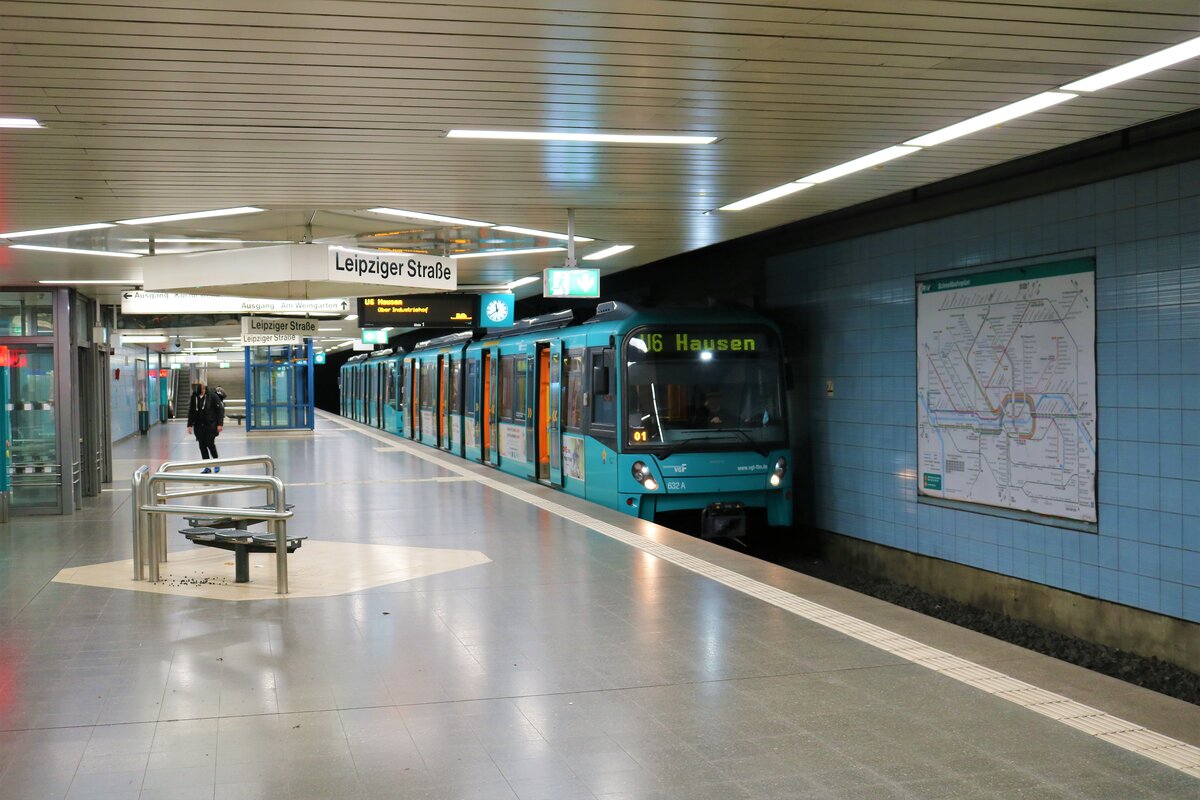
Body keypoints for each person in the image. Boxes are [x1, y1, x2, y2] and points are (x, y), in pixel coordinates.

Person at [187, 380, 225, 472]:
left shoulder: (212, 396)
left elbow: (220, 410)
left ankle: (216, 462)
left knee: (210, 444)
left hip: (210, 425)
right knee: (202, 446)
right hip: (199, 426)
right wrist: (189, 425)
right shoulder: (194, 397)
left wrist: (220, 424)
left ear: (203, 388)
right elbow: (191, 411)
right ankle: (207, 466)